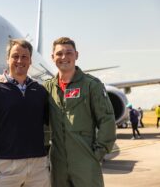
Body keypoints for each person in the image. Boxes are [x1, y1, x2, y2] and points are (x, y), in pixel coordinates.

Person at [0, 39, 50, 187]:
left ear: (30, 61)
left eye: (24, 57)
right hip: (6, 166)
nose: (19, 60)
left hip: (38, 166)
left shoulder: (40, 91)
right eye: (15, 56)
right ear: (7, 59)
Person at [44, 37, 116, 187]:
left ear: (76, 55)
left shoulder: (91, 85)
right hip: (58, 165)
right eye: (59, 54)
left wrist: (98, 154)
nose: (64, 57)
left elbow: (107, 120)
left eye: (69, 53)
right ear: (52, 58)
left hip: (85, 162)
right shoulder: (47, 88)